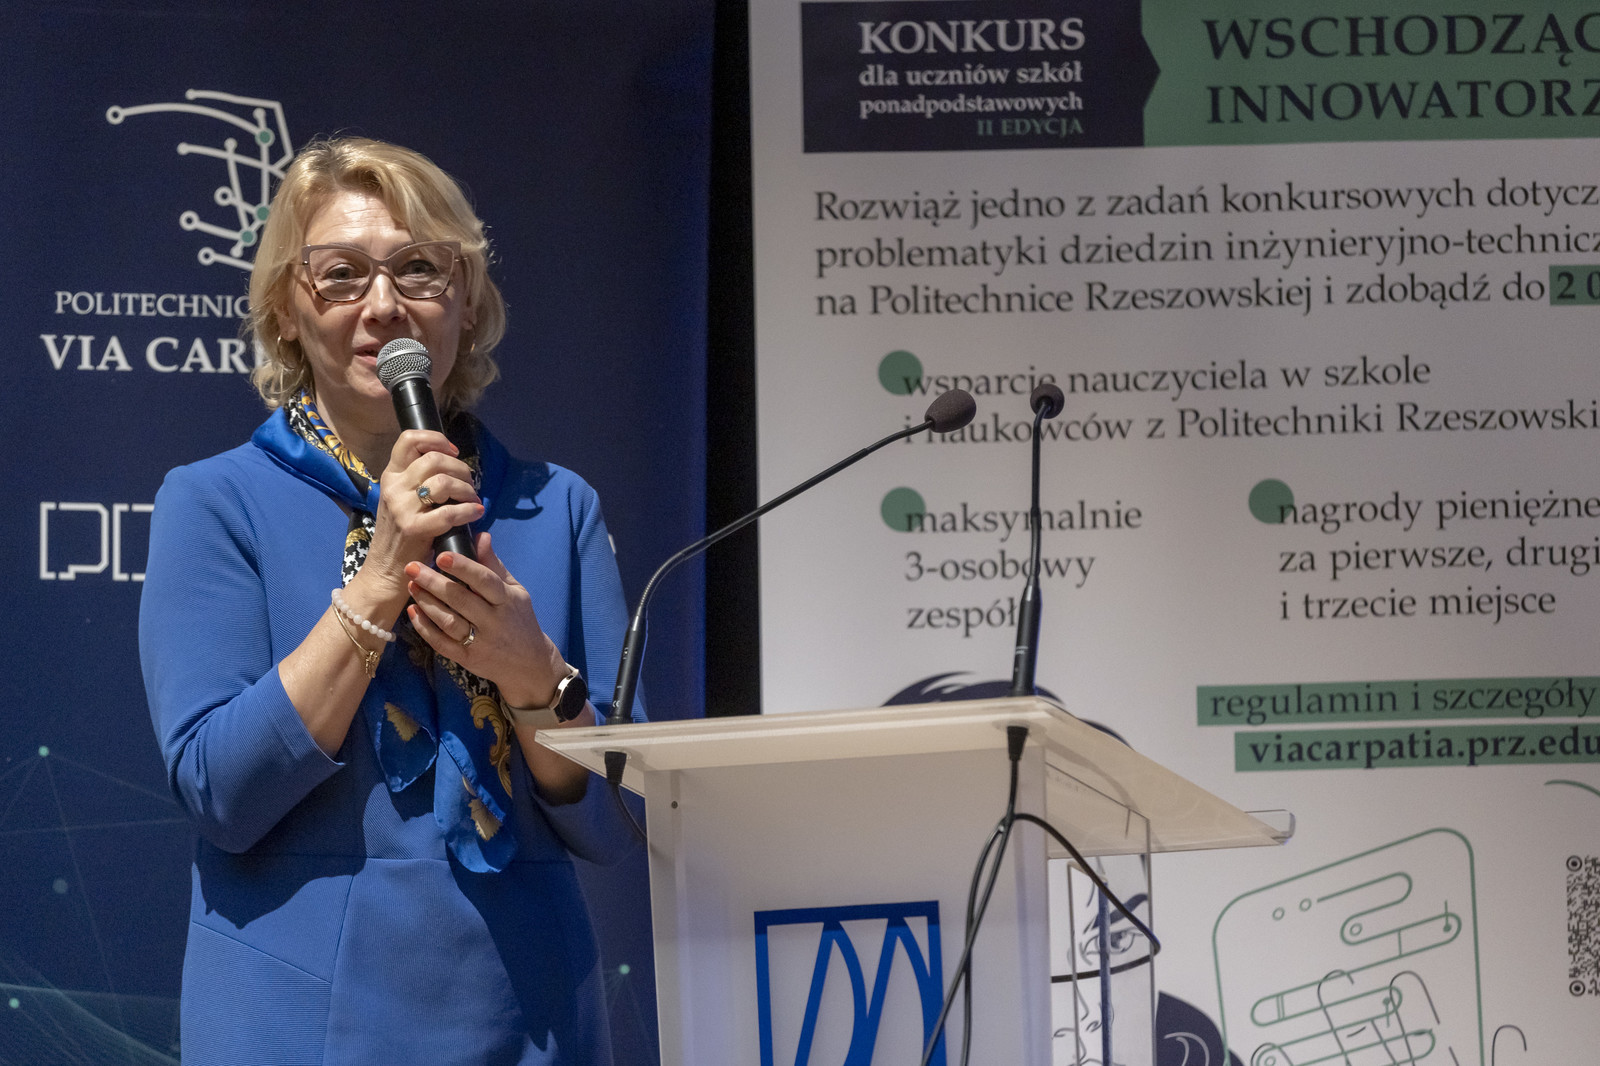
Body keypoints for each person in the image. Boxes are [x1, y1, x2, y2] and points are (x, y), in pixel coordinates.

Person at [139, 137, 642, 1065]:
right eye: (341, 275)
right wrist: (379, 579)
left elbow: (623, 816)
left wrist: (534, 677)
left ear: (467, 302)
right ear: (288, 311)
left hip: (531, 1018)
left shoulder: (556, 506)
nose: (383, 306)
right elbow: (220, 791)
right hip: (300, 1024)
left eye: (418, 269)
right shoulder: (214, 502)